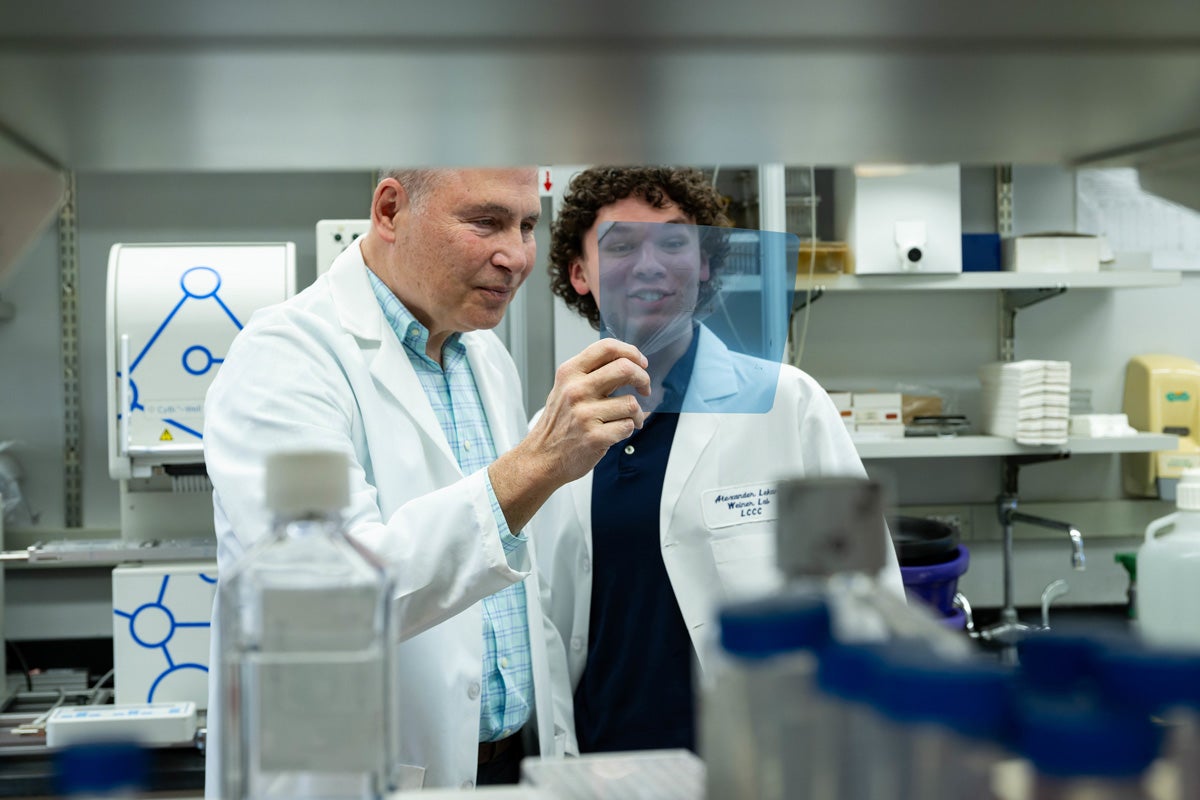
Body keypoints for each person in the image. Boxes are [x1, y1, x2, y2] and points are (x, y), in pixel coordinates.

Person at [202, 167, 651, 791]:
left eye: (526, 225)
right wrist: (539, 464)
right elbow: (322, 601)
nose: (517, 256)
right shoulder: (284, 357)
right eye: (486, 222)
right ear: (390, 210)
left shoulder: (483, 355)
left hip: (509, 768)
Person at [536, 165, 904, 754]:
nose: (651, 264)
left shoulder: (789, 404)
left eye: (675, 241)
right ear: (580, 273)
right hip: (601, 767)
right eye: (622, 244)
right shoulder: (549, 434)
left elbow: (869, 601)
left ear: (704, 264)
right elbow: (548, 633)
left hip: (760, 766)